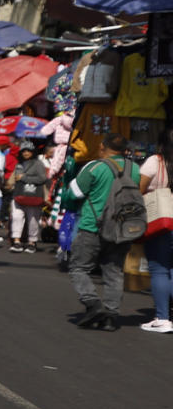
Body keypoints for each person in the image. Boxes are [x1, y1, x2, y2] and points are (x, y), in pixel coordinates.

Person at [66, 132, 140, 331]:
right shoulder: (134, 169)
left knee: (79, 267)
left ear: (102, 147)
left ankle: (93, 303)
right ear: (125, 150)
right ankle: (110, 315)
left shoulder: (95, 166)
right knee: (114, 271)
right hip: (122, 229)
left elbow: (73, 194)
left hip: (93, 226)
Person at [140, 127, 173, 334]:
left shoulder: (156, 162)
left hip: (161, 221)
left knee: (159, 269)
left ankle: (162, 317)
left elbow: (139, 188)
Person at [8, 142, 49, 253]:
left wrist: (24, 177)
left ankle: (32, 242)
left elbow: (42, 179)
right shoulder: (19, 163)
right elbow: (16, 178)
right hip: (18, 194)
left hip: (34, 196)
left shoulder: (38, 164)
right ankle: (16, 241)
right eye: (23, 151)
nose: (25, 153)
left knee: (33, 220)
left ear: (33, 152)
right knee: (16, 217)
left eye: (28, 151)